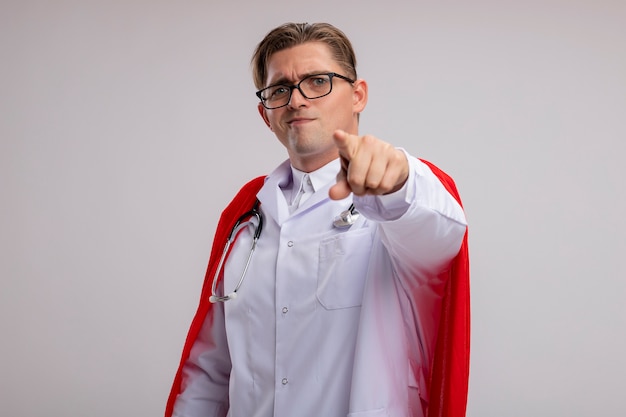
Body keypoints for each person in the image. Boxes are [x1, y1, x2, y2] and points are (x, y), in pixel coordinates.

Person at [166, 22, 470, 417]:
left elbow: (440, 236)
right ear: (265, 114)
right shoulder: (244, 216)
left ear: (358, 95)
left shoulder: (397, 204)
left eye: (317, 81)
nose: (297, 100)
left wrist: (399, 178)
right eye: (280, 89)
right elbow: (209, 371)